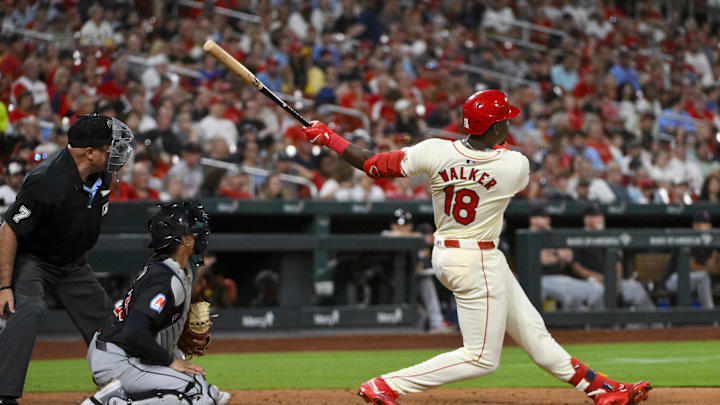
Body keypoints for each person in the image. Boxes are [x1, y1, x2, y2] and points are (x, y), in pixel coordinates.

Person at [302, 89, 651, 405]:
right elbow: (493, 155)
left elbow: (373, 165)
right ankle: (386, 385)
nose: (509, 126)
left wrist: (329, 137)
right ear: (495, 128)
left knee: (536, 337)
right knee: (481, 357)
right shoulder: (514, 165)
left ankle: (603, 390)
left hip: (456, 253)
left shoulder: (435, 149)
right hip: (475, 259)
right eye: (504, 122)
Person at [0, 113, 134, 404]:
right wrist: (3, 287)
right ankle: (4, 395)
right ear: (89, 152)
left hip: (73, 263)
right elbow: (9, 230)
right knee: (28, 309)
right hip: (34, 259)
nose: (118, 152)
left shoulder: (102, 173)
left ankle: (123, 388)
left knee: (106, 326)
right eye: (110, 147)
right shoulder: (46, 181)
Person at [82, 202, 230, 405]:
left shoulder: (171, 269)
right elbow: (134, 332)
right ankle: (113, 402)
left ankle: (125, 396)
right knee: (201, 395)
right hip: (118, 360)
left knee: (204, 387)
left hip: (122, 353)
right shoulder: (163, 279)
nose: (200, 236)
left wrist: (172, 341)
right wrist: (170, 361)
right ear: (184, 240)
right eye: (194, 232)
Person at [571, 205, 656, 311]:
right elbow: (577, 268)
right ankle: (603, 325)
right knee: (598, 292)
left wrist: (615, 281)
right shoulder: (577, 237)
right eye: (596, 216)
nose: (600, 219)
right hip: (590, 282)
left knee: (636, 288)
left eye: (601, 216)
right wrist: (602, 278)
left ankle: (656, 323)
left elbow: (618, 263)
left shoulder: (608, 236)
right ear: (587, 219)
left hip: (612, 281)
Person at [381, 209, 453, 334]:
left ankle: (436, 322)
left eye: (406, 226)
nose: (403, 229)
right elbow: (390, 236)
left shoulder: (417, 238)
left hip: (411, 280)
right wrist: (416, 236)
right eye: (399, 226)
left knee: (425, 278)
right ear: (392, 225)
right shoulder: (386, 234)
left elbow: (428, 242)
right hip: (388, 279)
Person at [529, 206, 603, 311]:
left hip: (558, 278)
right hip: (539, 279)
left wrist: (553, 253)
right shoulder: (528, 235)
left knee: (597, 290)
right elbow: (544, 260)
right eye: (542, 217)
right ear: (533, 219)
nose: (547, 220)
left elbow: (569, 256)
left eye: (547, 217)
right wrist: (558, 255)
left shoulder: (549, 234)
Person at [663, 211, 718, 309]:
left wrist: (710, 267)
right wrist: (709, 268)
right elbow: (691, 266)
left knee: (703, 276)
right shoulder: (688, 237)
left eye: (708, 223)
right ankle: (710, 315)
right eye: (703, 223)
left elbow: (716, 265)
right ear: (695, 225)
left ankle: (709, 316)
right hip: (673, 279)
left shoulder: (708, 241)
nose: (707, 226)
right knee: (704, 276)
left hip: (691, 280)